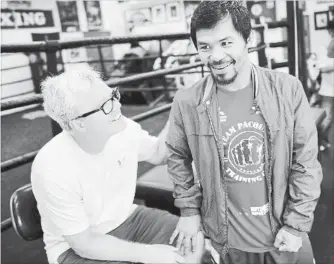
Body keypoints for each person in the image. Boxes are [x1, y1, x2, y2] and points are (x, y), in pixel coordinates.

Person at [166, 1, 323, 264]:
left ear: (247, 40)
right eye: (205, 47)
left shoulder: (287, 89)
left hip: (284, 237)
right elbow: (176, 156)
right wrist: (188, 210)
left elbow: (305, 162)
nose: (215, 56)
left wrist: (296, 224)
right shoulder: (186, 102)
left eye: (226, 43)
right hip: (228, 243)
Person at [31, 65, 204, 264]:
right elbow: (84, 244)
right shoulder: (52, 168)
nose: (117, 106)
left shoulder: (124, 129)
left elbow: (158, 153)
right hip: (75, 247)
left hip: (127, 219)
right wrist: (149, 254)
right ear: (78, 123)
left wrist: (179, 109)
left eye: (113, 96)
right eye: (105, 106)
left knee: (192, 240)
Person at [318, 20, 334, 151]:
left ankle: (325, 140)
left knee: (331, 120)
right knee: (326, 119)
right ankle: (318, 142)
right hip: (328, 91)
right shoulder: (323, 47)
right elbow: (322, 68)